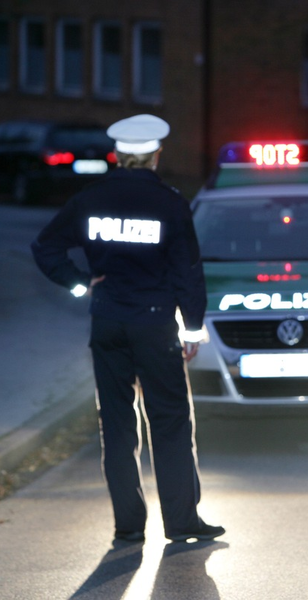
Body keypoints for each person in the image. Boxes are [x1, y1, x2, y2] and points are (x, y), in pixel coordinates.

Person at [31, 114, 224, 544]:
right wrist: (192, 329)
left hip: (108, 322)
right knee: (170, 421)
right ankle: (181, 522)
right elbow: (187, 272)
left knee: (117, 424)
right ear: (157, 156)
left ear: (117, 156)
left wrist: (79, 283)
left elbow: (45, 246)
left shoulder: (90, 198)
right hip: (155, 325)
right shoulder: (170, 202)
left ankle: (128, 525)